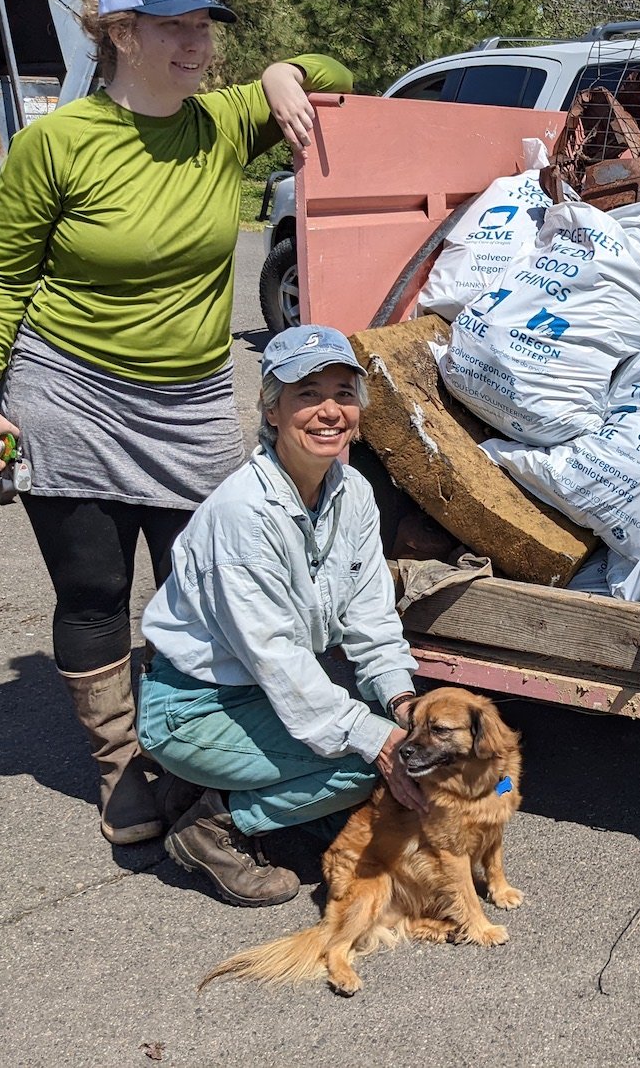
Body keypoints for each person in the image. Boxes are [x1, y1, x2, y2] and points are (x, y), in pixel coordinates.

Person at [0, 0, 355, 849]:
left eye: (205, 26)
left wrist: (283, 73)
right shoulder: (58, 142)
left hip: (194, 400)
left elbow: (338, 76)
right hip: (71, 391)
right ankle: (121, 770)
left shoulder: (224, 119)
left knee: (205, 588)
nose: (197, 43)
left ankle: (191, 749)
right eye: (174, 28)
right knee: (95, 587)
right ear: (120, 34)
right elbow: (2, 277)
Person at [138, 325, 428, 907]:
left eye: (345, 394)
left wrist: (403, 703)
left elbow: (372, 617)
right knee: (369, 764)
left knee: (404, 741)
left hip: (266, 691)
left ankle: (221, 787)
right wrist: (380, 741)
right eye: (307, 394)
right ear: (272, 412)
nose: (329, 411)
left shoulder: (353, 493)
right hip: (197, 704)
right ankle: (214, 827)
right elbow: (278, 658)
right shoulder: (245, 514)